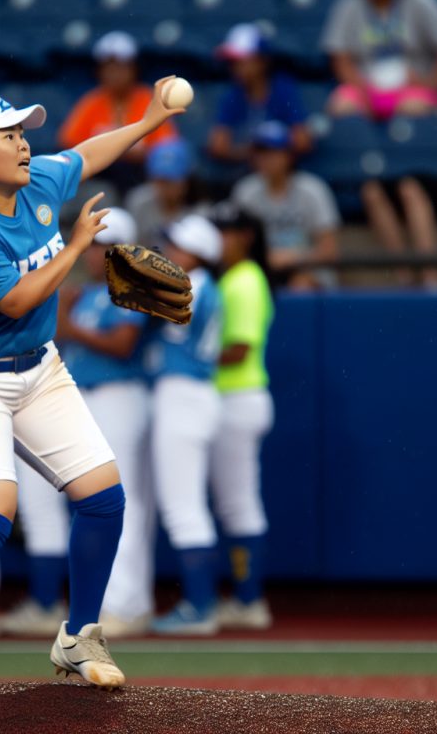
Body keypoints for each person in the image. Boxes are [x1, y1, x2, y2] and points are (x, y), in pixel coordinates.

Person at [0, 80, 182, 687]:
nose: (22, 143)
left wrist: (146, 120)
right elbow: (18, 301)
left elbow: (90, 154)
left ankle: (78, 636)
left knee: (103, 496)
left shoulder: (36, 183)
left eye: (21, 132)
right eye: (7, 136)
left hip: (36, 368)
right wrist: (81, 244)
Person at [0, 208, 153, 639]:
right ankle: (64, 602)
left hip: (119, 395)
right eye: (97, 243)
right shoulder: (84, 293)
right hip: (82, 396)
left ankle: (125, 603)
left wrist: (66, 323)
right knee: (66, 498)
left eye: (107, 244)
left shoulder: (133, 285)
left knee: (123, 498)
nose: (97, 253)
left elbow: (122, 346)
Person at [147, 216, 225, 635]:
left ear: (198, 253)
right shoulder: (200, 284)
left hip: (185, 395)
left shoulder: (193, 284)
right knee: (187, 505)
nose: (169, 253)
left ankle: (200, 606)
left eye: (178, 247)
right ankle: (201, 604)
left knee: (183, 508)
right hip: (192, 394)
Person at [208, 204, 276, 629]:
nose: (222, 239)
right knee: (233, 504)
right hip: (231, 399)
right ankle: (245, 597)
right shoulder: (232, 278)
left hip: (239, 397)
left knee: (239, 504)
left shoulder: (246, 280)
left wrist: (188, 356)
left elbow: (240, 350)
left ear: (245, 236)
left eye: (229, 231)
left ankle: (250, 600)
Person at [58, 31, 179, 194]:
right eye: (108, 67)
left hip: (142, 179)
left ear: (134, 68)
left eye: (121, 67)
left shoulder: (149, 99)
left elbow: (168, 148)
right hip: (99, 181)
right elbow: (68, 145)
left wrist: (128, 150)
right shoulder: (91, 102)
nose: (114, 74)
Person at [230, 121, 340, 289]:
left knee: (301, 284)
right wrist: (266, 260)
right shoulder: (246, 191)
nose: (264, 159)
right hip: (260, 270)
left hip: (306, 268)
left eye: (272, 152)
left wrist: (292, 258)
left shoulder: (313, 190)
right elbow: (234, 245)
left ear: (289, 155)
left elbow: (329, 250)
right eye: (260, 153)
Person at [208, 23, 312, 164]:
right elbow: (218, 146)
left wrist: (272, 152)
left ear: (262, 61)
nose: (235, 68)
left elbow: (303, 141)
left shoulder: (282, 89)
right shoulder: (233, 94)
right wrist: (259, 154)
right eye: (232, 62)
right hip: (245, 174)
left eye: (241, 61)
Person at [125, 139, 198, 247]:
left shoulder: (199, 211)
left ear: (185, 182)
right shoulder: (139, 202)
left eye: (170, 181)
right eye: (159, 180)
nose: (164, 188)